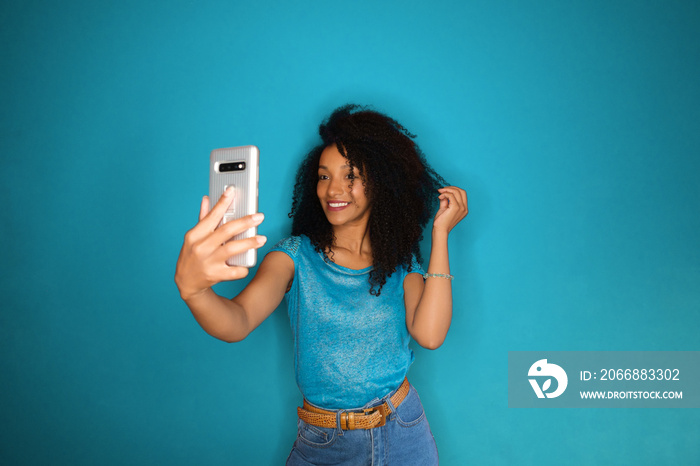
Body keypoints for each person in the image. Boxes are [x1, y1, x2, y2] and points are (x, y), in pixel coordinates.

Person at [175, 104, 468, 465]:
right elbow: (237, 320)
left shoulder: (400, 262)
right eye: (324, 175)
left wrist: (440, 235)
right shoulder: (293, 258)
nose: (334, 189)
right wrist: (195, 292)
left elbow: (430, 335)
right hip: (326, 443)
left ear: (381, 182)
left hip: (404, 430)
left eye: (352, 175)